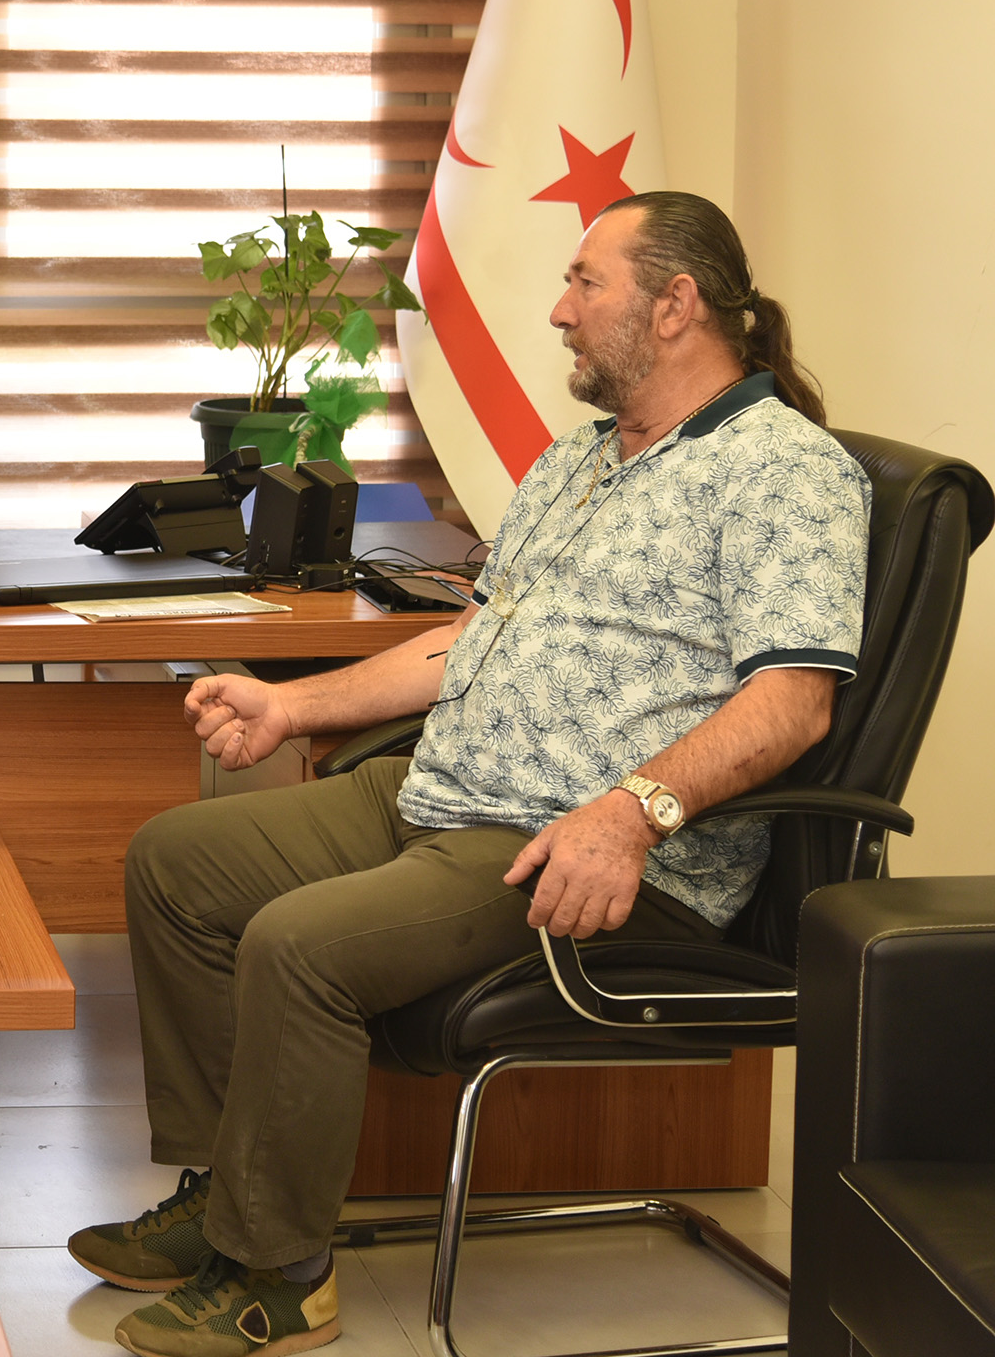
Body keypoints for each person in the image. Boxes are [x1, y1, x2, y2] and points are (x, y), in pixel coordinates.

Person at [67, 192, 868, 1357]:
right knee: (176, 862)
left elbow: (793, 701)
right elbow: (467, 637)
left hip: (572, 846)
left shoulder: (784, 472)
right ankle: (225, 1194)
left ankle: (277, 1277)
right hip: (439, 796)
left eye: (584, 283)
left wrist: (629, 815)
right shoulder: (579, 457)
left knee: (296, 945)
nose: (558, 311)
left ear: (674, 304)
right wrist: (290, 702)